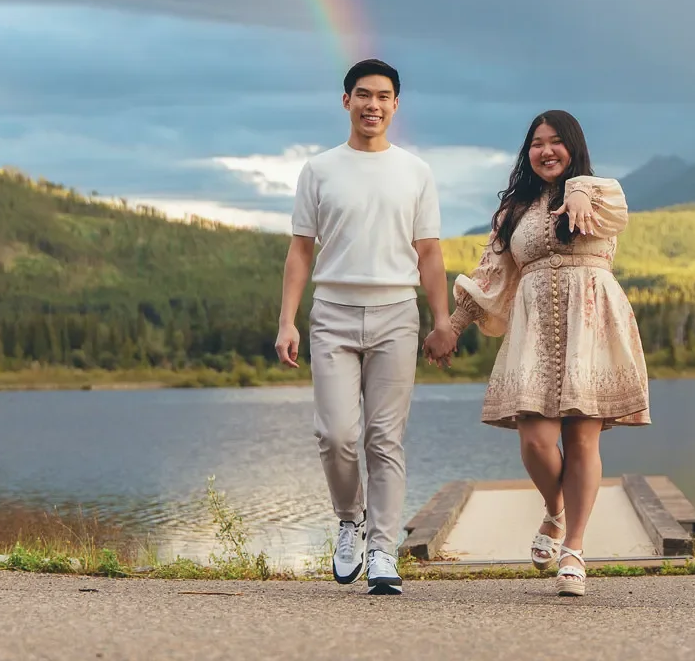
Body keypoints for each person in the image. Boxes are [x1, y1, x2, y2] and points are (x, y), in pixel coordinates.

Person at [422, 110, 648, 597]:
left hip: (591, 323)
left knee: (582, 440)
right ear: (528, 152)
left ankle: (575, 549)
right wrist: (452, 326)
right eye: (537, 143)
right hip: (534, 330)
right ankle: (555, 509)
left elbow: (614, 209)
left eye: (556, 142)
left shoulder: (601, 193)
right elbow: (491, 277)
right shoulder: (514, 211)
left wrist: (579, 190)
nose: (546, 151)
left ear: (573, 146)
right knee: (535, 440)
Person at [275, 59, 448, 595]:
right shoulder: (319, 169)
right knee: (336, 435)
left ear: (396, 105)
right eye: (364, 95)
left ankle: (382, 550)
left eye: (384, 96)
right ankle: (350, 519)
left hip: (397, 313)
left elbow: (429, 253)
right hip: (332, 314)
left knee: (384, 438)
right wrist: (287, 321)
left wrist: (442, 319)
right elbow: (301, 250)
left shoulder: (415, 171)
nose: (374, 105)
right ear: (346, 100)